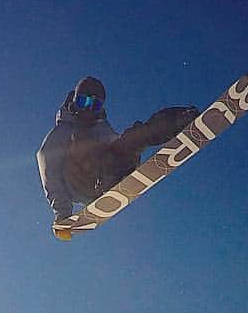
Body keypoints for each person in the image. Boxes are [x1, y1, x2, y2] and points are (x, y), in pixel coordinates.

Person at [37, 76, 199, 234]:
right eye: (82, 101)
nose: (87, 108)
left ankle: (180, 119)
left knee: (133, 138)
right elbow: (49, 168)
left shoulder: (101, 126)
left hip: (105, 174)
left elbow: (120, 146)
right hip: (78, 182)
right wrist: (62, 214)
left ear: (100, 107)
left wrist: (128, 154)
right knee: (83, 141)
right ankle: (107, 181)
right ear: (74, 101)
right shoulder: (64, 130)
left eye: (94, 105)